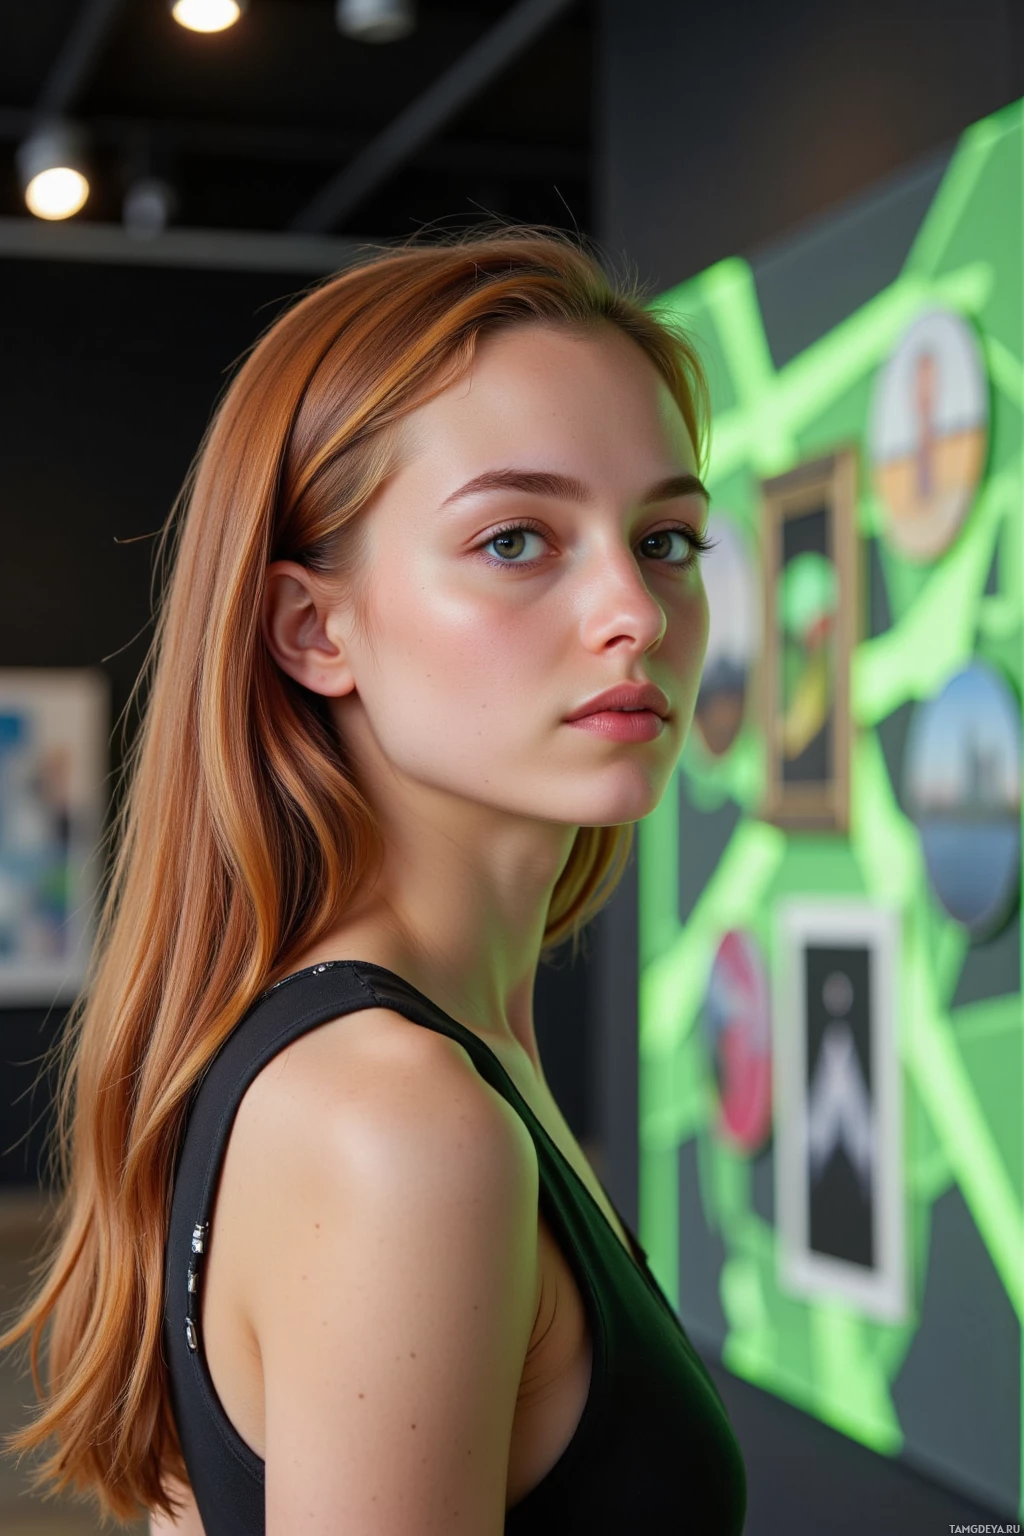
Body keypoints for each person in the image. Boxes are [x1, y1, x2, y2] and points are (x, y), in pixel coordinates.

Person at [0, 228, 747, 1534]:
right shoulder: (402, 1124)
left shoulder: (406, 1059)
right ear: (314, 629)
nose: (634, 608)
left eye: (668, 538)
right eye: (515, 540)